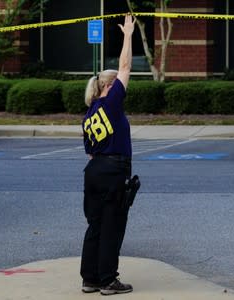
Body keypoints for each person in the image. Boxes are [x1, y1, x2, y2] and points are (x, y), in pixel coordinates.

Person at [80, 14, 136, 296]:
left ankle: (89, 278)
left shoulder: (89, 114)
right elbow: (125, 65)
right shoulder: (112, 103)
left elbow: (90, 154)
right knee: (112, 226)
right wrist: (127, 34)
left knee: (96, 226)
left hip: (94, 173)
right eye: (120, 84)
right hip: (114, 171)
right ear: (109, 86)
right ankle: (107, 281)